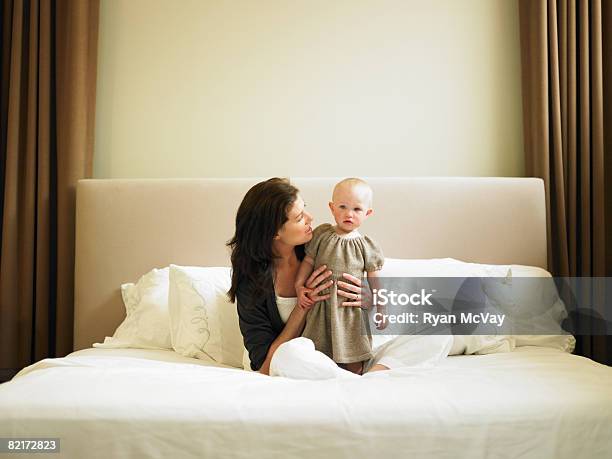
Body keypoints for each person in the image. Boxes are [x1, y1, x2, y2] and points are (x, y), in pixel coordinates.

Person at [294, 178, 386, 374]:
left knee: (354, 358)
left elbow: (375, 280)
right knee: (318, 356)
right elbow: (308, 262)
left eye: (357, 209)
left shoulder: (366, 245)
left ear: (368, 213)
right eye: (342, 207)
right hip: (323, 307)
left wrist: (381, 307)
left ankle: (356, 382)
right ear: (332, 208)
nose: (348, 214)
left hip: (350, 311)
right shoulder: (321, 234)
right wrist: (299, 286)